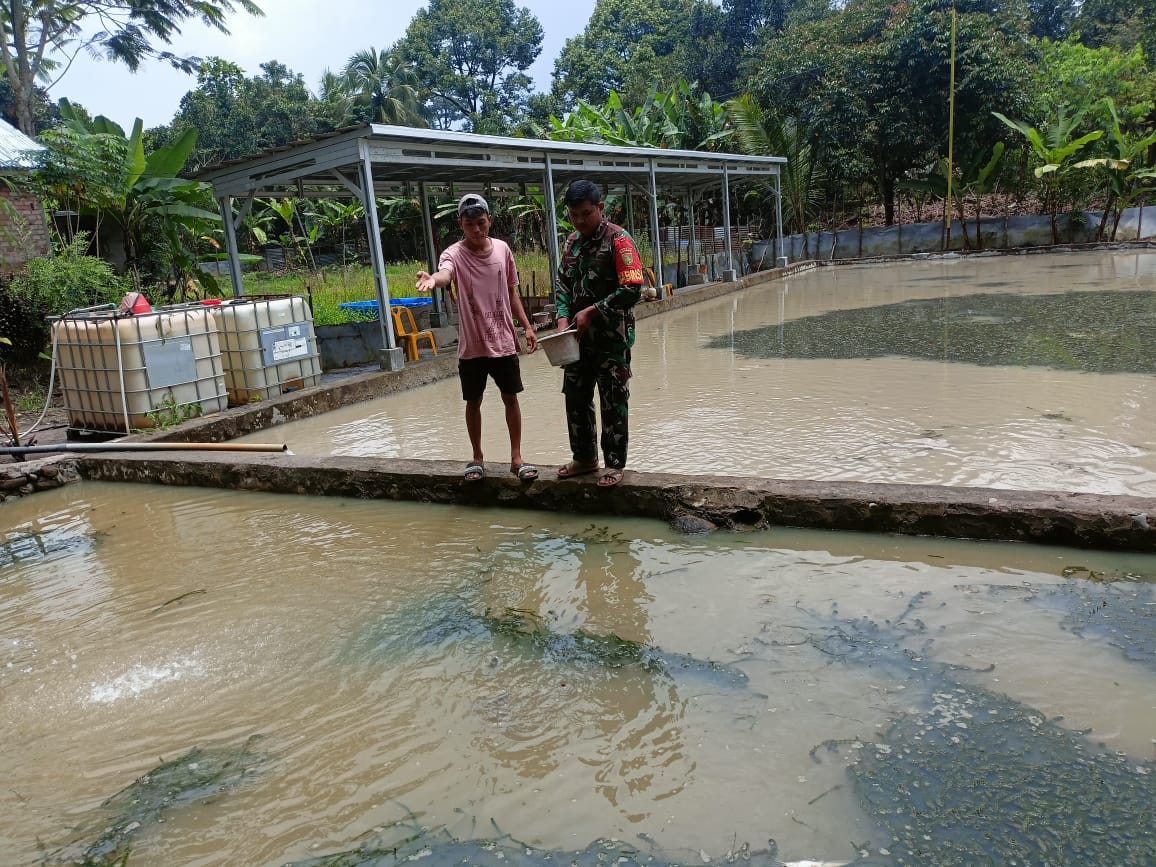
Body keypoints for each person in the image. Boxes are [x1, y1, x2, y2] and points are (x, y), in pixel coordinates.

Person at [416, 193, 539, 482]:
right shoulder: (454, 254)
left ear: (489, 221)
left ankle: (517, 458)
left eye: (481, 223)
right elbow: (445, 273)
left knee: (511, 398)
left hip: (504, 341)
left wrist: (528, 327)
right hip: (472, 347)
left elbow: (512, 293)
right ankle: (477, 458)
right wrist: (434, 280)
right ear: (462, 224)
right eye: (470, 224)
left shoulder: (503, 250)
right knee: (474, 401)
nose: (476, 230)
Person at [553, 179, 644, 488]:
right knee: (576, 397)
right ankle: (584, 458)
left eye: (586, 214)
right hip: (576, 340)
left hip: (611, 339)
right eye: (574, 215)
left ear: (601, 209)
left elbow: (632, 288)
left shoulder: (620, 241)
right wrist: (563, 317)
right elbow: (563, 284)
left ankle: (615, 464)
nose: (579, 221)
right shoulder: (571, 243)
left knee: (613, 399)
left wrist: (593, 311)